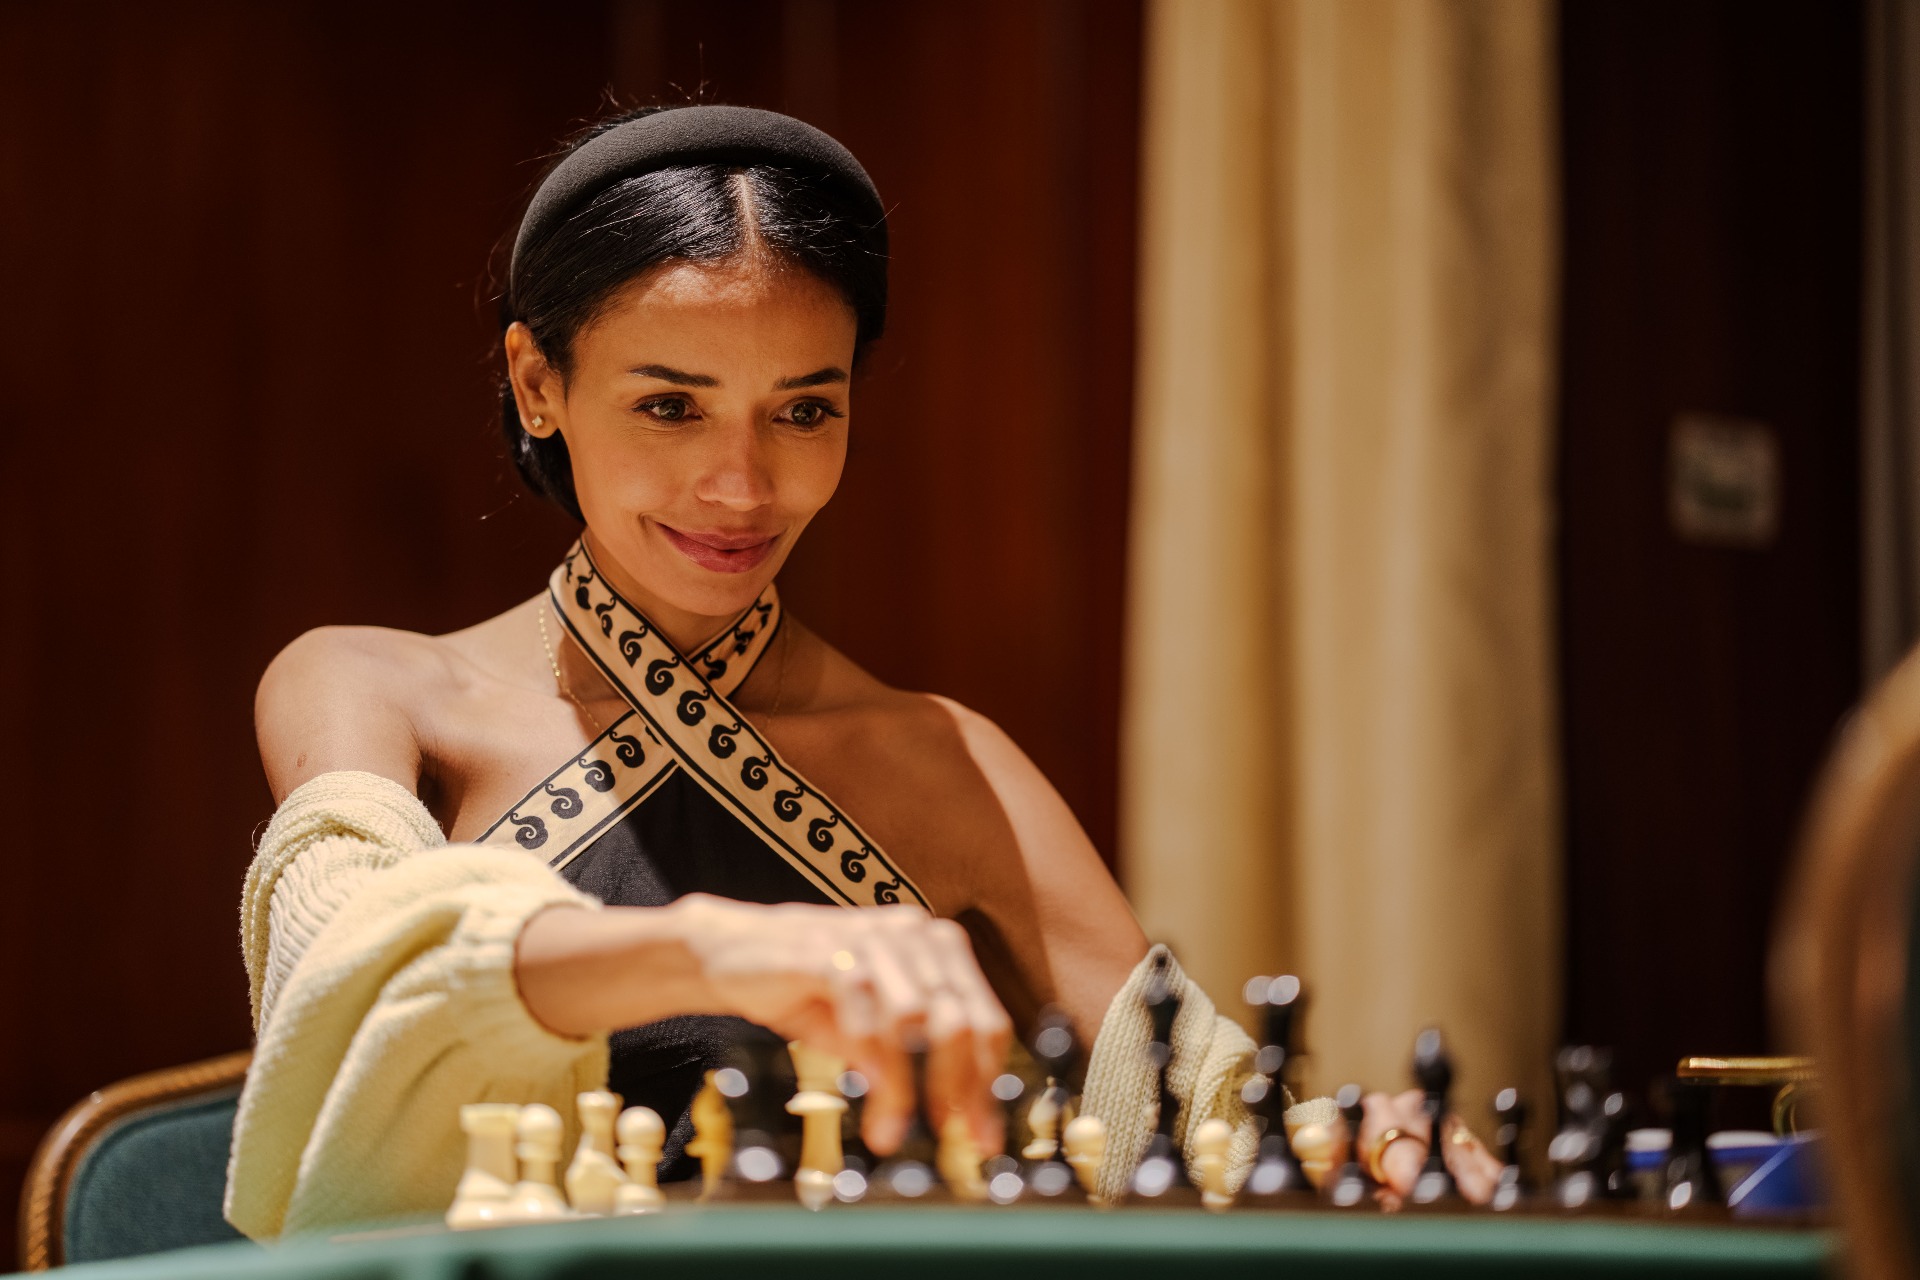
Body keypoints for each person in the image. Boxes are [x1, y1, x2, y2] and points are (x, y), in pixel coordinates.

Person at [226, 104, 1496, 1238]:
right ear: (537, 382)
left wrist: (1353, 1140)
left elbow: (1180, 1106)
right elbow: (347, 971)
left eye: (805, 408)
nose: (742, 483)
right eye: (671, 405)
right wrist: (725, 952)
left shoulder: (945, 759)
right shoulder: (372, 688)